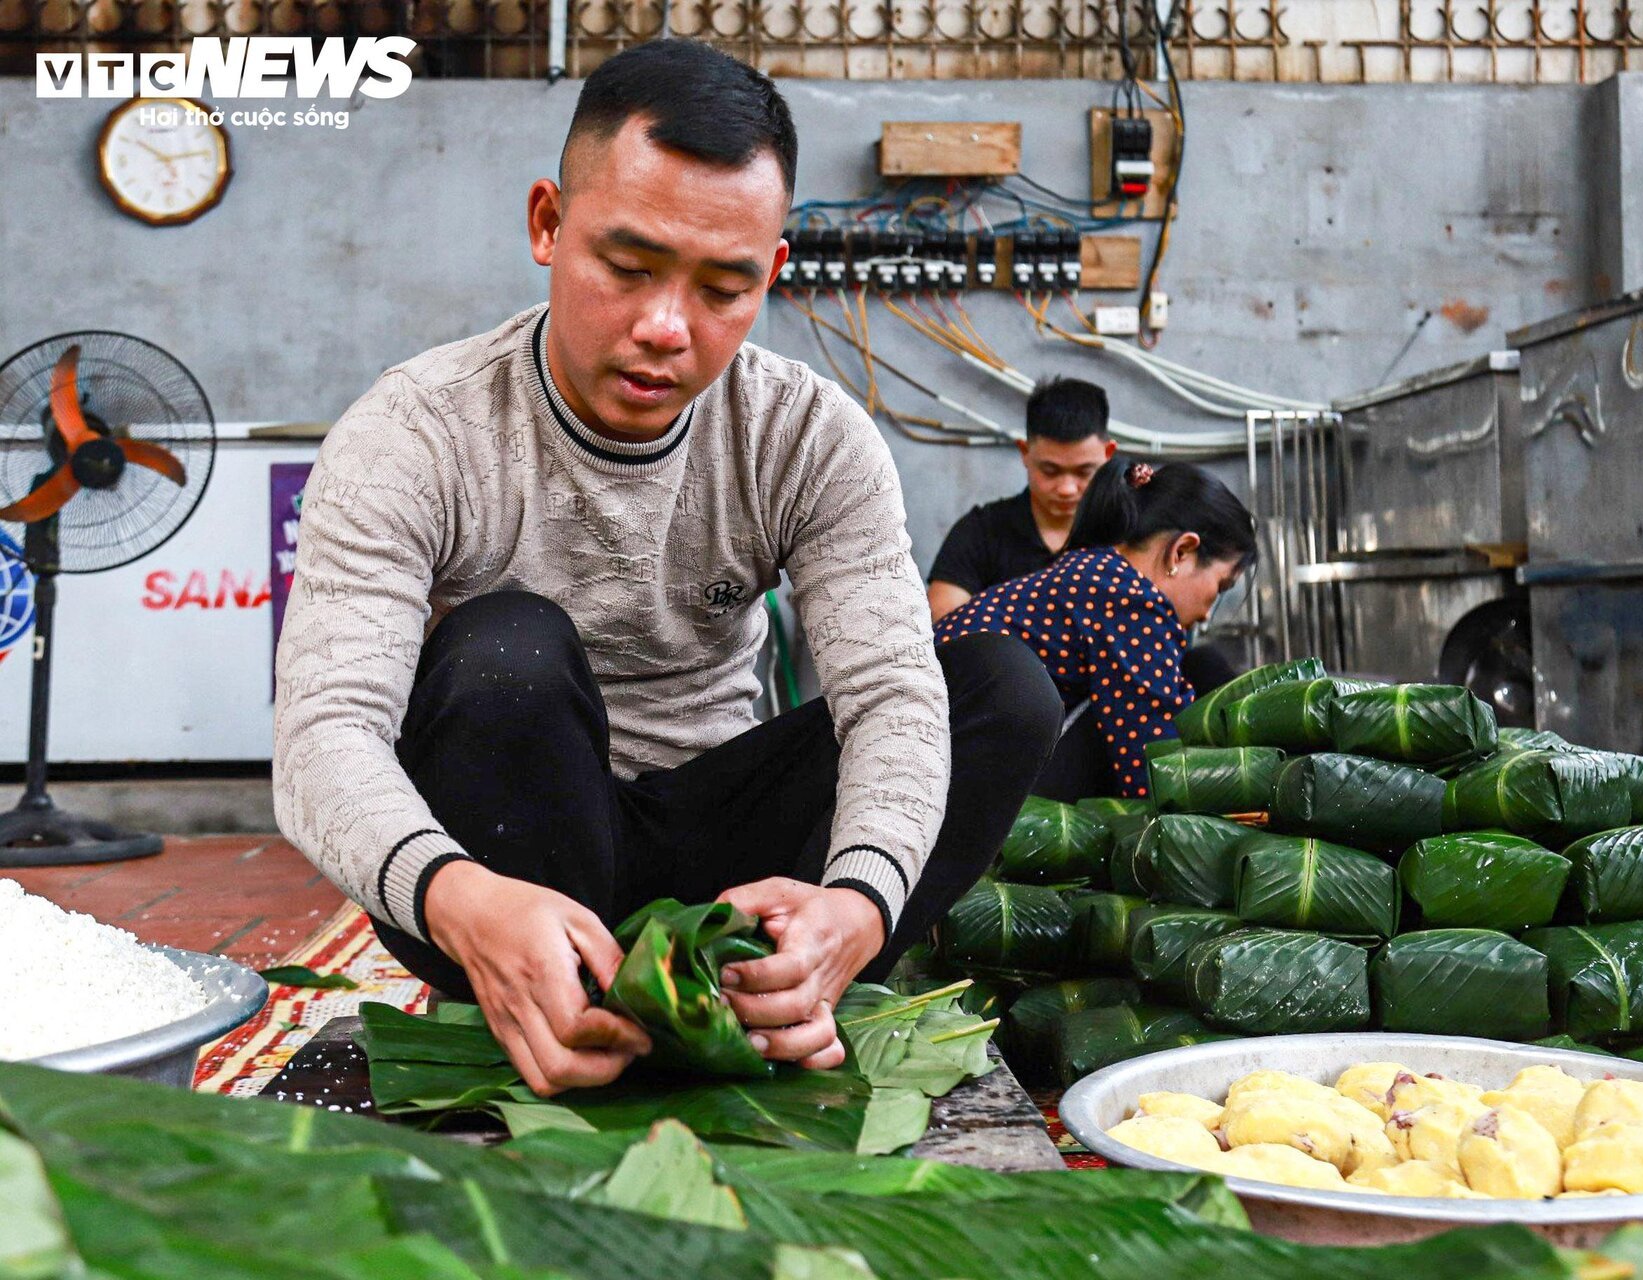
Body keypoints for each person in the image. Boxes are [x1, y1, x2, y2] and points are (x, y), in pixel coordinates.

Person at [272, 40, 1059, 1098]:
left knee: (1000, 687)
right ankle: (550, 995)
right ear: (548, 224)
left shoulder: (811, 437)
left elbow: (890, 698)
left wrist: (860, 906)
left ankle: (788, 984)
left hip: (720, 865)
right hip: (508, 869)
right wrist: (461, 897)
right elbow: (325, 733)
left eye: (723, 287)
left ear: (770, 276)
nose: (664, 329)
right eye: (628, 266)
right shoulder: (415, 431)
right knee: (507, 644)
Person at [933, 457, 1257, 801]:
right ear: (1182, 552)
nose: (1208, 614)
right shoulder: (1133, 601)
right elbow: (1153, 766)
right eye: (1220, 588)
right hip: (955, 776)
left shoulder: (1097, 571)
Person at [926, 376, 1113, 624]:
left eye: (1083, 472)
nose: (1067, 488)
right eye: (1050, 471)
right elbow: (943, 622)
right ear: (1025, 453)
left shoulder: (1130, 534)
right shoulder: (980, 533)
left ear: (1108, 454)